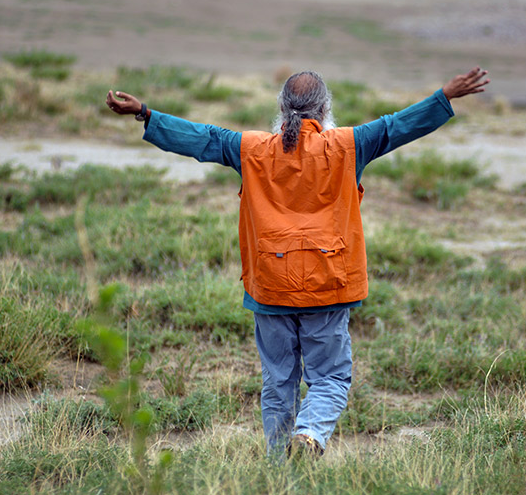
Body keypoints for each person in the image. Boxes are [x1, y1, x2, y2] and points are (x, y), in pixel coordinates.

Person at [105, 67, 489, 459]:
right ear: (324, 109)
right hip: (328, 286)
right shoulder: (349, 145)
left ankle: (279, 466)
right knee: (332, 377)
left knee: (278, 384)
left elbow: (201, 137)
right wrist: (445, 95)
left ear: (282, 109)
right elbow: (397, 126)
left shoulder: (251, 149)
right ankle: (308, 435)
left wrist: (146, 114)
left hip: (271, 288)